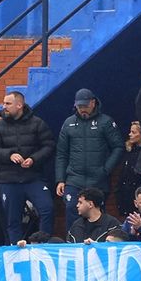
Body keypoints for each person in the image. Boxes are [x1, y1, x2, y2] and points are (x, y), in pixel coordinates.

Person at [0, 91, 54, 242]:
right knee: (13, 220)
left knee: (47, 209)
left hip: (33, 178)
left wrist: (33, 159)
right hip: (9, 180)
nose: (4, 107)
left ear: (19, 105)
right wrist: (9, 155)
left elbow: (49, 146)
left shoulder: (37, 123)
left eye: (8, 103)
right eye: (3, 103)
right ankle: (16, 251)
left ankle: (44, 245)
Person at [55, 89, 122, 225]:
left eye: (85, 106)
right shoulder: (68, 123)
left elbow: (118, 147)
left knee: (96, 216)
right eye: (79, 107)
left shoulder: (106, 122)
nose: (82, 109)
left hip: (97, 179)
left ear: (93, 103)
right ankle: (73, 244)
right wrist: (61, 179)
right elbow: (61, 153)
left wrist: (105, 170)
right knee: (71, 210)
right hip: (74, 179)